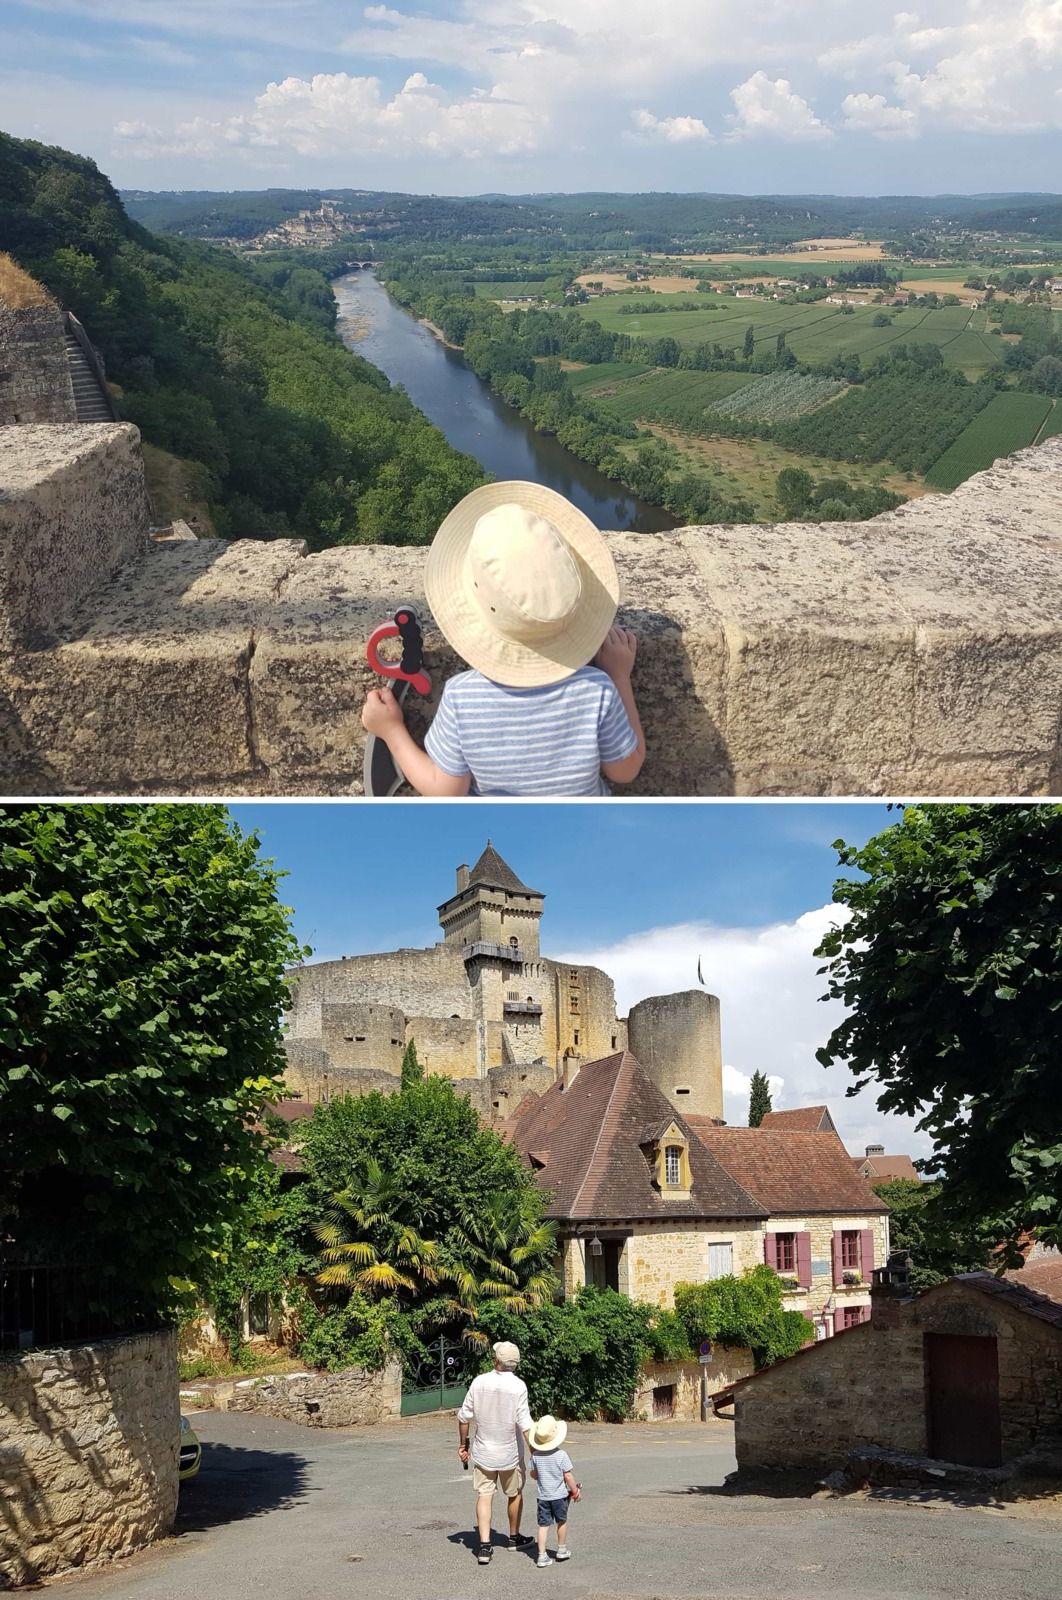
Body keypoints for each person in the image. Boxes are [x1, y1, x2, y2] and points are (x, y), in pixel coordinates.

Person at [361, 482, 645, 797]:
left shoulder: (462, 699)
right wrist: (619, 676)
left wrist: (392, 732)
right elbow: (625, 770)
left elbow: (447, 791)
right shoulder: (597, 690)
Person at [457, 1339, 535, 1565]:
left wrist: (463, 1444)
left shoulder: (479, 1381)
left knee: (484, 1494)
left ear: (497, 1360)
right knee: (514, 1493)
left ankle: (484, 1546)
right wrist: (536, 1454)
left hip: (484, 1452)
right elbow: (525, 1424)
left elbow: (464, 1417)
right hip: (510, 1453)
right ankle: (514, 1537)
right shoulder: (518, 1386)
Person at [529, 1413, 581, 1568]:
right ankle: (562, 1549)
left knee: (543, 1525)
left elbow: (533, 1474)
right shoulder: (561, 1455)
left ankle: (541, 1555)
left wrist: (538, 1474)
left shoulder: (535, 1456)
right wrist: (575, 1491)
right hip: (559, 1496)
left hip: (543, 1496)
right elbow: (568, 1476)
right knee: (561, 1521)